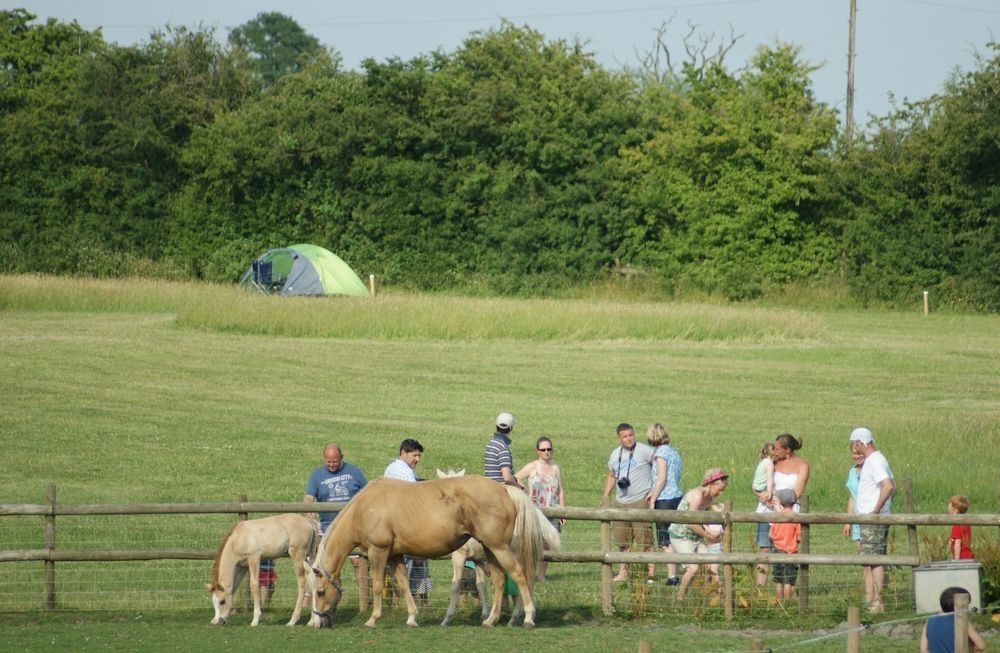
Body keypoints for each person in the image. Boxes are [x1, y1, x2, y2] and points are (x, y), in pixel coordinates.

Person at [304, 443, 369, 606]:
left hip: (351, 529)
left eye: (335, 461)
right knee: (318, 565)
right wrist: (309, 506)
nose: (332, 464)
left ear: (341, 458)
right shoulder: (317, 476)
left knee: (358, 562)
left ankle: (364, 600)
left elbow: (368, 493)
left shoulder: (354, 472)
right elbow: (308, 497)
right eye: (328, 462)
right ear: (324, 459)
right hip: (327, 527)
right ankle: (311, 600)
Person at [601, 422, 655, 583]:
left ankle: (651, 573)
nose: (629, 439)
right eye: (625, 436)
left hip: (640, 500)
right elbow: (612, 476)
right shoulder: (614, 454)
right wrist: (605, 496)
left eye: (631, 435)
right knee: (622, 541)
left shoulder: (645, 450)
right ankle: (623, 572)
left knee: (645, 538)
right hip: (620, 501)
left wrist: (654, 490)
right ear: (619, 438)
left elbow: (660, 467)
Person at [850, 426, 895, 614]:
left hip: (872, 518)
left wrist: (875, 510)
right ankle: (871, 601)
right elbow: (893, 484)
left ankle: (876, 602)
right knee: (870, 560)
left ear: (861, 442)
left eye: (854, 444)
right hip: (870, 517)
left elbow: (888, 486)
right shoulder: (877, 459)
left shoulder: (875, 461)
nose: (853, 448)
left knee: (874, 560)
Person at [667, 469, 729, 600]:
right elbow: (691, 522)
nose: (721, 493)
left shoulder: (709, 498)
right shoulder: (697, 495)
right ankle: (680, 597)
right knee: (693, 568)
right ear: (711, 484)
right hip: (681, 536)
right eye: (720, 489)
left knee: (709, 564)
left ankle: (712, 596)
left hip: (695, 536)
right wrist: (708, 536)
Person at [383, 438, 431, 604]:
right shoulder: (402, 471)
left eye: (419, 456)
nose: (417, 459)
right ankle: (413, 600)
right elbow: (415, 493)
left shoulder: (395, 468)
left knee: (410, 562)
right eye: (414, 455)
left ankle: (405, 600)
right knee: (413, 560)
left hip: (398, 523)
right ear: (403, 453)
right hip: (405, 525)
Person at [515, 436, 565, 580]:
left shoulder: (555, 468)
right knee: (532, 543)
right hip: (535, 511)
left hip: (553, 509)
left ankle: (541, 575)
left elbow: (560, 490)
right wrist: (522, 487)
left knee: (548, 544)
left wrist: (563, 511)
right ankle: (528, 572)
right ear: (537, 451)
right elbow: (516, 477)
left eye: (549, 449)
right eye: (543, 449)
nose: (546, 452)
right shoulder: (532, 466)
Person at [645, 423, 683, 585]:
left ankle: (672, 577)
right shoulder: (673, 452)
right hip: (677, 497)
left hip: (665, 500)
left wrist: (653, 497)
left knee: (665, 540)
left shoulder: (660, 454)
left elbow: (661, 478)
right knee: (676, 536)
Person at [919, 586, 987, 653]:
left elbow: (923, 650)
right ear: (963, 605)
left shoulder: (930, 621)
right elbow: (981, 646)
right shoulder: (963, 622)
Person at [768, 488, 801, 604]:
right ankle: (787, 603)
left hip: (777, 550)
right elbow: (800, 536)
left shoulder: (777, 517)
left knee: (778, 579)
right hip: (791, 552)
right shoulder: (796, 518)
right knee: (789, 581)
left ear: (780, 502)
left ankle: (780, 602)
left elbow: (770, 535)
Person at [752, 441, 776, 586]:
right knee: (765, 548)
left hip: (761, 495)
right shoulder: (770, 464)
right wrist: (769, 493)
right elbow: (769, 480)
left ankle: (761, 587)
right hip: (766, 507)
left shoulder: (762, 462)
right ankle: (761, 586)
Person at [484, 412, 523, 489]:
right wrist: (518, 487)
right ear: (511, 428)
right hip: (500, 492)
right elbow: (507, 477)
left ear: (496, 426)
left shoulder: (490, 444)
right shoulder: (503, 447)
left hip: (488, 488)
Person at [842, 449, 865, 551]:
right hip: (856, 519)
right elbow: (852, 497)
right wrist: (848, 522)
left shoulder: (872, 469)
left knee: (874, 557)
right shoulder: (852, 472)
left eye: (860, 453)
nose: (858, 456)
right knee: (861, 556)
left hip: (870, 516)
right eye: (855, 453)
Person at [948, 495, 974, 560]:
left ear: (955, 511)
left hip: (962, 557)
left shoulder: (957, 524)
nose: (947, 509)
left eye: (949, 507)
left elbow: (957, 543)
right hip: (969, 556)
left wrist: (957, 561)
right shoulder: (966, 523)